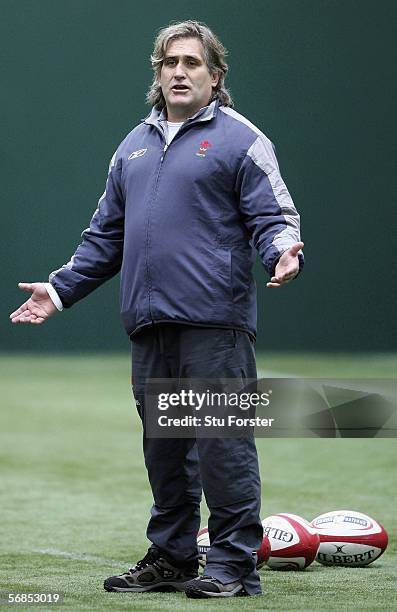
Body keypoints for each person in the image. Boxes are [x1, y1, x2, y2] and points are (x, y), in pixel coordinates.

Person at [10, 20, 304, 599]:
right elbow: (105, 237)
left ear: (215, 76)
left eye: (192, 63)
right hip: (149, 325)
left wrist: (282, 251)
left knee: (224, 445)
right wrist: (60, 288)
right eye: (169, 62)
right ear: (157, 72)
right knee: (165, 451)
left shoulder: (242, 140)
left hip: (214, 322)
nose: (178, 72)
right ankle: (173, 557)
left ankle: (233, 565)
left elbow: (274, 217)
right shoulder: (133, 145)